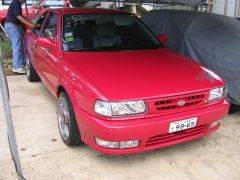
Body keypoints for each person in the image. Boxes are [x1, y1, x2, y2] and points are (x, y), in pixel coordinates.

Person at [4, 0, 35, 74]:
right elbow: (18, 16)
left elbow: (18, 14)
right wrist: (28, 23)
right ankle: (17, 67)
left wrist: (27, 19)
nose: (24, 1)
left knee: (21, 44)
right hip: (11, 26)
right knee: (17, 46)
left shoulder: (17, 3)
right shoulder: (16, 2)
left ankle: (22, 63)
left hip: (13, 26)